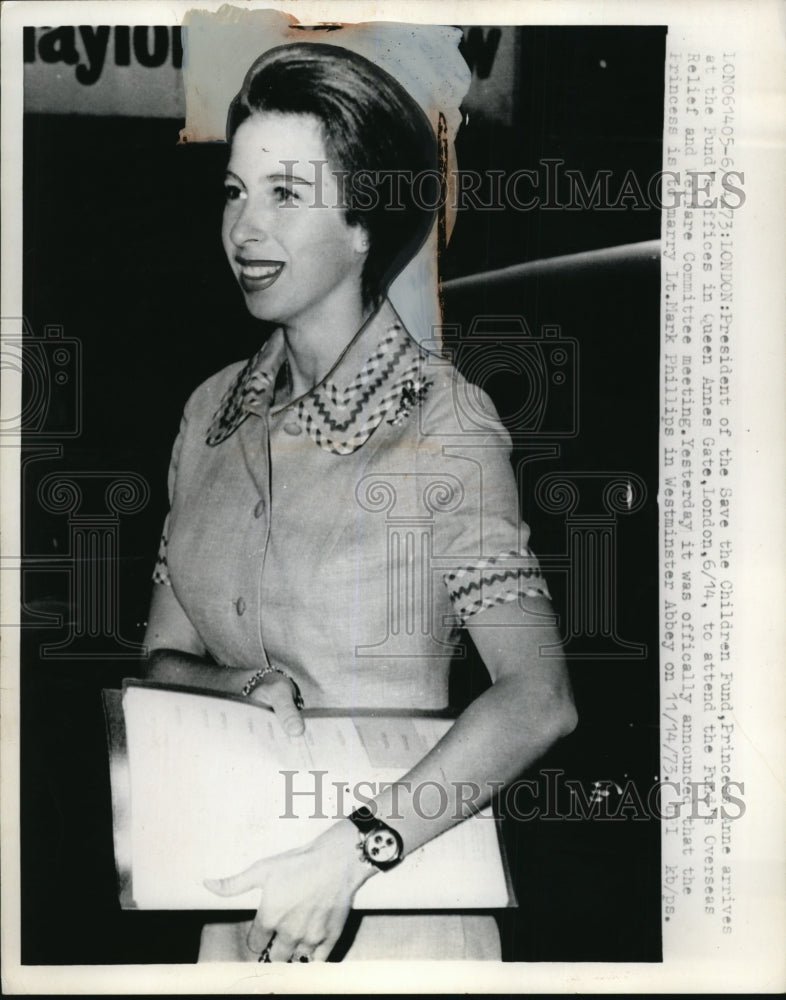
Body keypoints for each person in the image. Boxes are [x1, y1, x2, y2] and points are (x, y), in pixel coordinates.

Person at [143, 41, 577, 962]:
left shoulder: (445, 423)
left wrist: (349, 854)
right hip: (235, 903)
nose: (244, 229)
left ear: (366, 221)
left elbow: (538, 698)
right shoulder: (206, 415)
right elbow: (162, 661)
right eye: (235, 191)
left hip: (396, 912)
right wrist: (242, 687)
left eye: (286, 194)